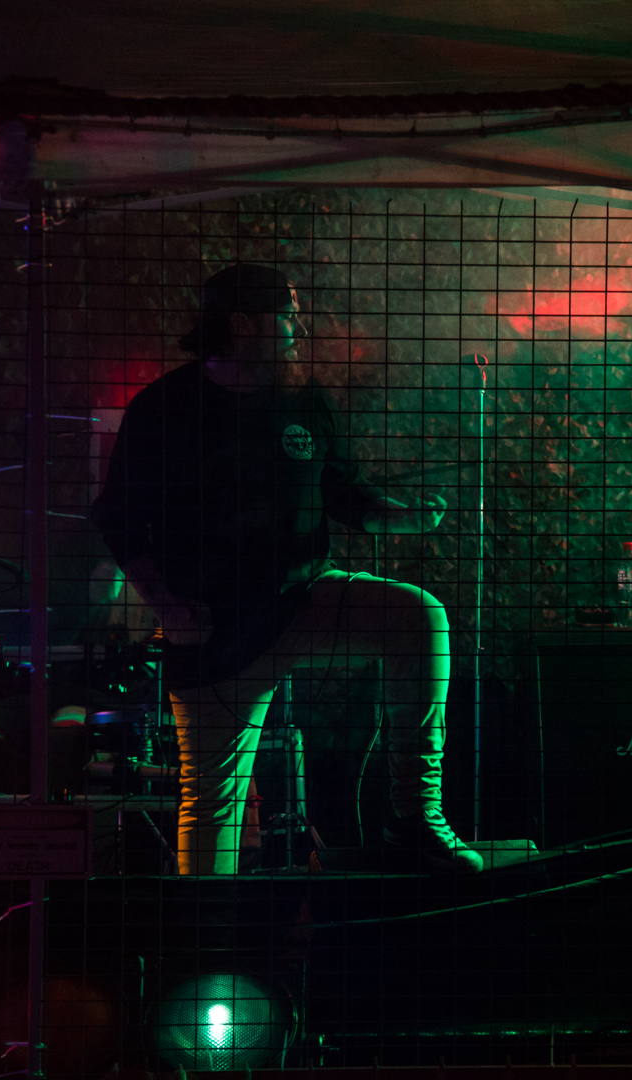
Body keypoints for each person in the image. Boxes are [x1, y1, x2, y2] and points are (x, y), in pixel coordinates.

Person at [91, 262, 482, 874]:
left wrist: (398, 517)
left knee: (418, 616)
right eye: (288, 316)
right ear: (244, 324)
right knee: (213, 805)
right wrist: (167, 607)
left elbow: (342, 491)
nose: (299, 329)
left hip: (307, 598)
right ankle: (210, 926)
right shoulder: (163, 408)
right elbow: (118, 519)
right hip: (215, 629)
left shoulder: (305, 400)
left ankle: (415, 819)